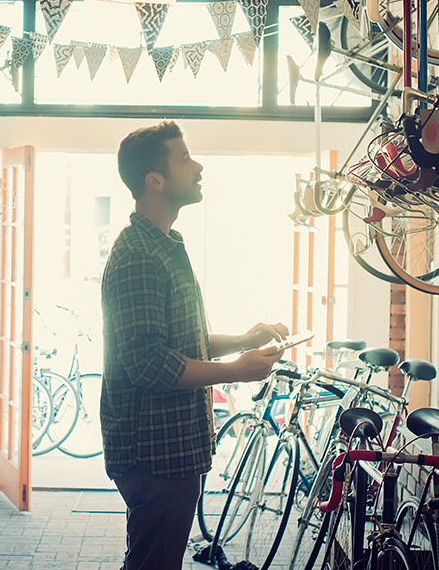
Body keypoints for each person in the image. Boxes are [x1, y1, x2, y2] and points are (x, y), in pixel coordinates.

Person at [100, 120, 288, 570]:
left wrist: (243, 340)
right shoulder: (138, 256)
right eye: (184, 158)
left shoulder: (165, 243)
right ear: (155, 180)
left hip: (173, 449)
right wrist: (236, 370)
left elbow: (184, 342)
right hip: (154, 454)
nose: (198, 166)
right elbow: (148, 362)